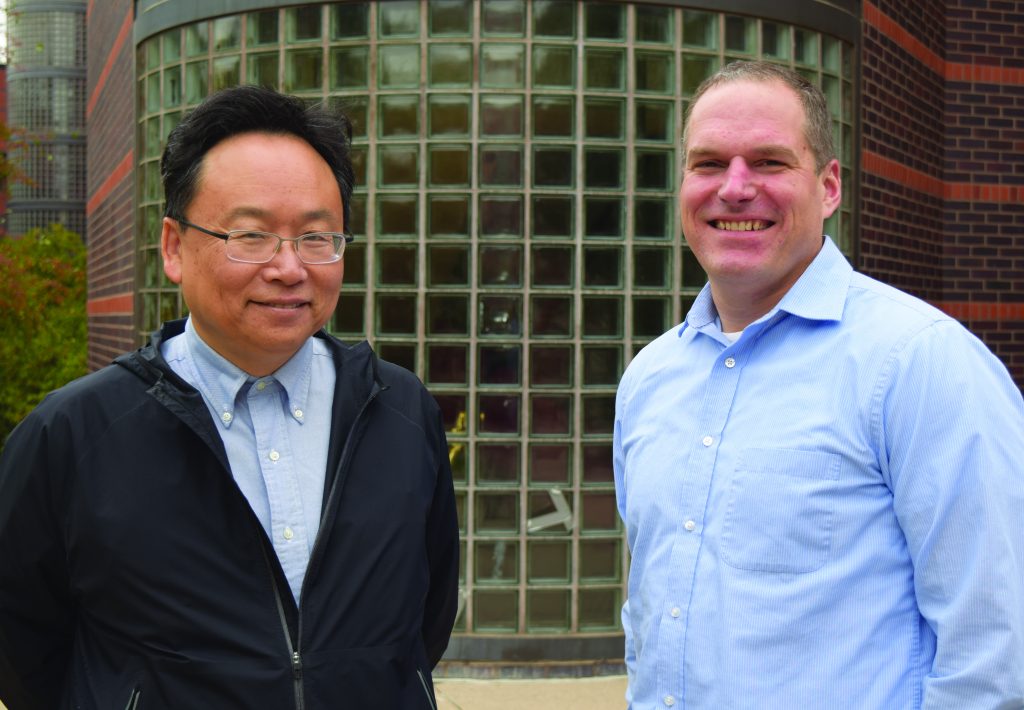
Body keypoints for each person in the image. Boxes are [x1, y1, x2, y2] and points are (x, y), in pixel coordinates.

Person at [0, 86, 460, 709]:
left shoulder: (399, 410)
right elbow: (27, 654)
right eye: (251, 236)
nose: (289, 268)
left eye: (317, 237)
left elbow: (420, 626)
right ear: (173, 247)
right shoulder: (73, 435)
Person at [614, 61, 1024, 709]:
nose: (736, 188)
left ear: (829, 187)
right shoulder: (650, 380)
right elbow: (650, 612)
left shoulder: (923, 365)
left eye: (771, 162)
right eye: (709, 163)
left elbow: (994, 653)